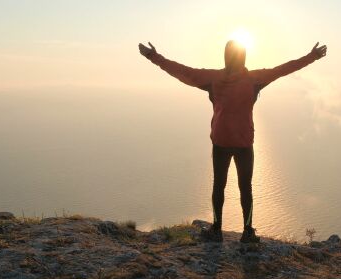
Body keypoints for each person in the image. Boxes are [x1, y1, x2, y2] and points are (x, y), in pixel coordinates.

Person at [139, 38, 327, 243]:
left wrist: (153, 57)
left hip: (221, 142)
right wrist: (312, 56)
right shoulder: (255, 78)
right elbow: (283, 69)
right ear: (244, 56)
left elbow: (182, 71)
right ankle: (247, 232)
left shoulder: (213, 78)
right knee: (245, 188)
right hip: (244, 143)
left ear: (225, 56)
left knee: (218, 186)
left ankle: (216, 230)